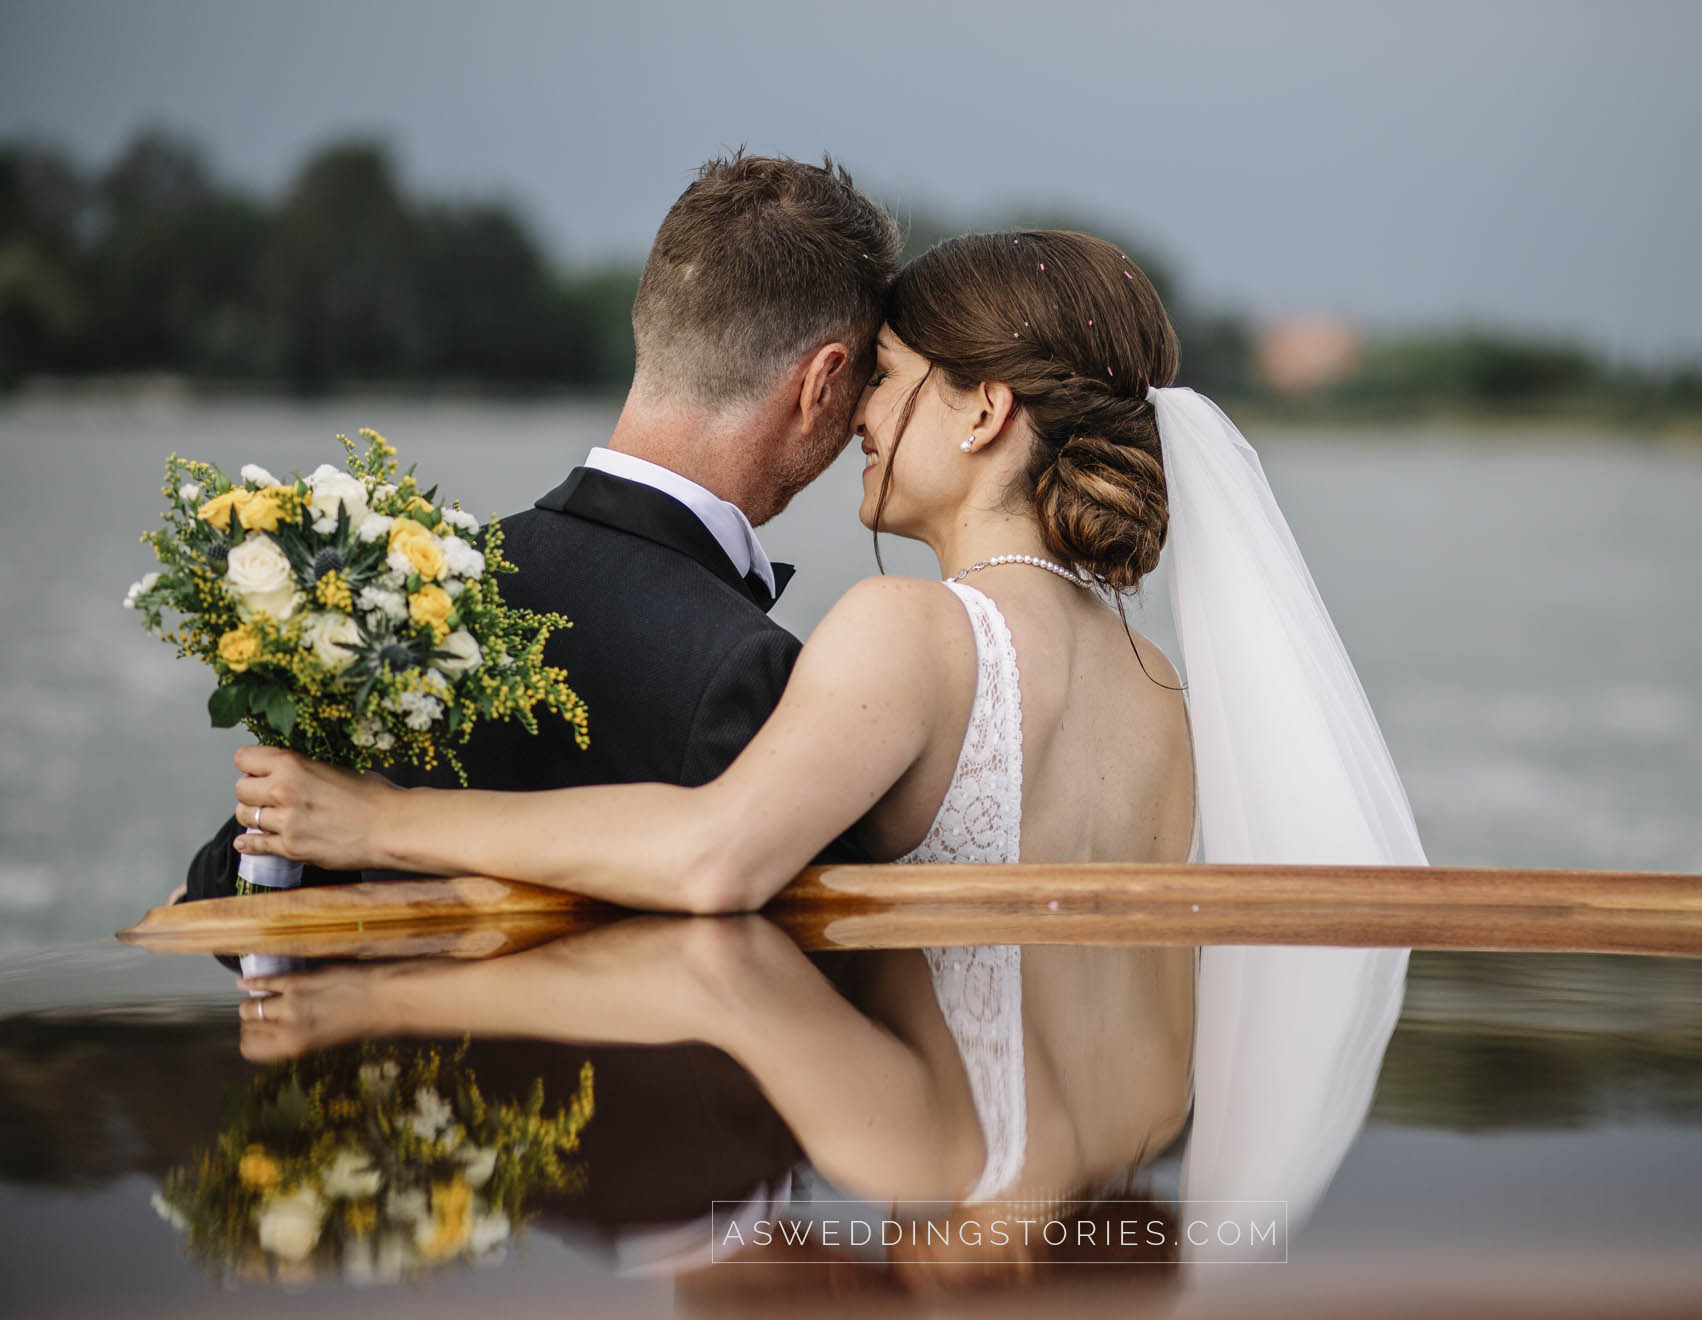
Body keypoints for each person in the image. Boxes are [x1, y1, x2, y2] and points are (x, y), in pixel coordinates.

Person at [232, 228, 1425, 1214]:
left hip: (946, 1160)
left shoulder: (912, 634)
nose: (858, 411)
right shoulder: (1161, 685)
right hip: (1112, 1156)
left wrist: (381, 826)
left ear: (982, 413)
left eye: (891, 378)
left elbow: (712, 857)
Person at [175, 149, 900, 902]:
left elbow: (227, 895)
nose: (861, 418)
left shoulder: (406, 601)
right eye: (867, 383)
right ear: (819, 384)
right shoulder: (748, 671)